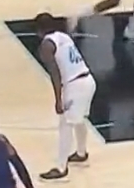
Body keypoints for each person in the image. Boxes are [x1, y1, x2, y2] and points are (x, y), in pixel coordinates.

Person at [34, 12, 96, 179]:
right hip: (88, 80)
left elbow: (55, 74)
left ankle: (61, 168)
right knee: (79, 119)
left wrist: (58, 99)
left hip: (75, 85)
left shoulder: (47, 45)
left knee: (65, 124)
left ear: (39, 30)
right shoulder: (63, 36)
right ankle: (81, 153)